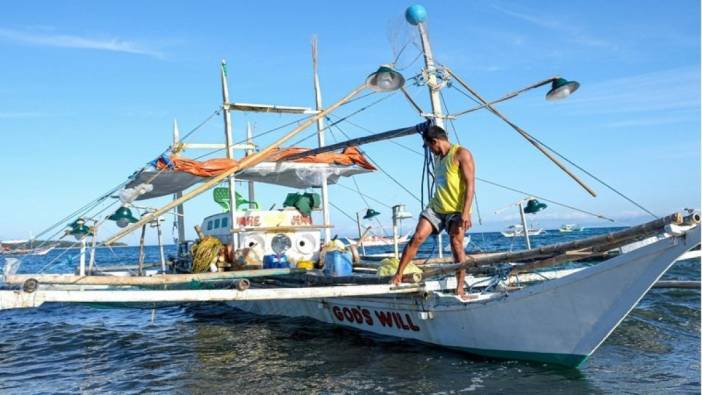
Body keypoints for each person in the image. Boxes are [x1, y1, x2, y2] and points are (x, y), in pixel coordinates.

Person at [391, 125, 475, 299]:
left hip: (457, 210)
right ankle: (398, 274)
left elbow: (470, 185)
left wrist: (466, 213)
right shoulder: (437, 157)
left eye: (429, 146)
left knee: (456, 244)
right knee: (417, 237)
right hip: (437, 207)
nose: (429, 150)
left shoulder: (461, 154)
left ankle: (460, 289)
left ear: (436, 141)